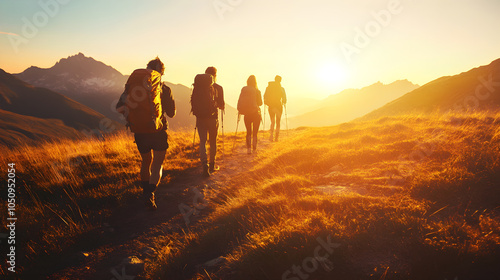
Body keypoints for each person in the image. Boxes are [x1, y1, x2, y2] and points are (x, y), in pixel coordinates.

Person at [116, 57, 176, 210]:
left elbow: (119, 108)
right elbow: (172, 113)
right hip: (159, 131)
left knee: (146, 162)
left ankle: (146, 194)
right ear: (161, 73)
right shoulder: (165, 89)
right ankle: (151, 194)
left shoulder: (133, 89)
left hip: (140, 131)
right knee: (157, 164)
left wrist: (135, 115)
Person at [191, 67, 225, 177]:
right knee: (213, 141)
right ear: (215, 75)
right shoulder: (218, 88)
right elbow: (221, 105)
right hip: (213, 118)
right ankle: (212, 165)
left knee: (203, 141)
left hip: (200, 118)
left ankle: (204, 165)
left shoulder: (198, 87)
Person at [237, 75, 262, 154]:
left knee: (248, 132)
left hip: (246, 114)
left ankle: (248, 149)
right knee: (255, 132)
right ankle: (254, 149)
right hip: (255, 113)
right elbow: (260, 103)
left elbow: (240, 100)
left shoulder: (244, 90)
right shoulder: (257, 91)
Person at [264, 75, 287, 142]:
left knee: (272, 121)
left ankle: (271, 136)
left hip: (271, 106)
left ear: (274, 79)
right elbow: (284, 99)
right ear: (280, 80)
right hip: (278, 106)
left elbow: (265, 96)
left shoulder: (268, 88)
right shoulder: (281, 89)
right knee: (278, 122)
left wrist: (267, 102)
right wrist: (283, 102)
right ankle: (276, 137)